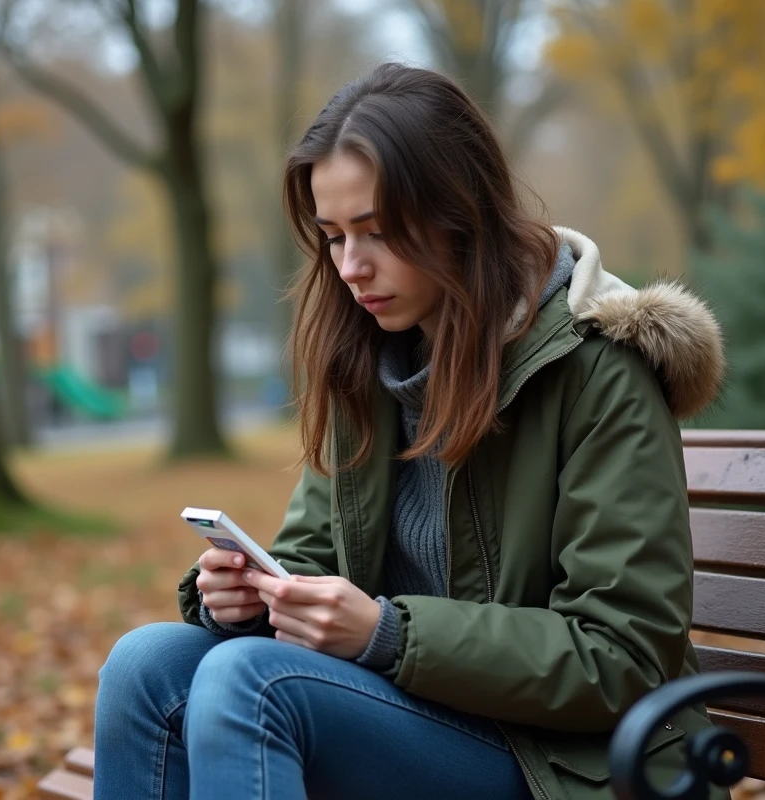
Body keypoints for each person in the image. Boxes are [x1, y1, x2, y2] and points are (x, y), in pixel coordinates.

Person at [92, 62, 727, 800]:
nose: (351, 268)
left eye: (378, 231)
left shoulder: (598, 370)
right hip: (418, 719)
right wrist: (246, 595)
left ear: (461, 209)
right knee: (145, 667)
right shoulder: (374, 364)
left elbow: (621, 657)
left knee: (251, 685)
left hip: (570, 762)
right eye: (332, 237)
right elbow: (310, 555)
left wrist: (389, 634)